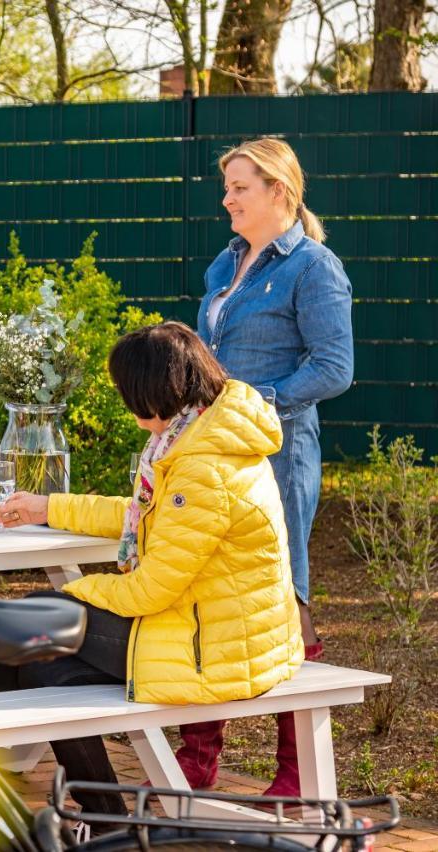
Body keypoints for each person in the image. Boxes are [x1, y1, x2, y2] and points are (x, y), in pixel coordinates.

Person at [0, 321, 304, 819]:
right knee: (40, 651)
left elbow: (150, 591)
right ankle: (96, 813)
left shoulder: (202, 468)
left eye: (125, 391)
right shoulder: (204, 435)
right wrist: (48, 507)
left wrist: (78, 595)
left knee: (31, 629)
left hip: (212, 649)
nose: (123, 400)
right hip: (224, 632)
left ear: (154, 391)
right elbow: (146, 514)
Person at [186, 137, 353, 797]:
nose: (226, 199)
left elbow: (334, 368)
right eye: (227, 187)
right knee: (204, 591)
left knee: (286, 597)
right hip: (210, 453)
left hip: (276, 454)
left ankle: (296, 773)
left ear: (278, 191)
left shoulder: (314, 267)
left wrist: (255, 405)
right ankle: (195, 764)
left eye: (239, 188)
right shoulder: (223, 266)